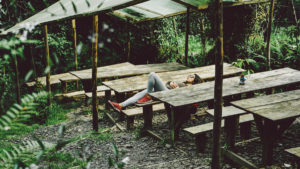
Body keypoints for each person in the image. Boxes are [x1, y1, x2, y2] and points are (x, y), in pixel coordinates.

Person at [108, 72, 203, 112]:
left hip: (169, 96)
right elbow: (167, 84)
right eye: (189, 75)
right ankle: (121, 105)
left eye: (192, 76)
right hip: (166, 91)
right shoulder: (184, 83)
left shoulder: (190, 87)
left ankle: (149, 95)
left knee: (152, 75)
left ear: (195, 80)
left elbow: (184, 97)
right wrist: (171, 82)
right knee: (141, 93)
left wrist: (177, 90)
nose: (189, 76)